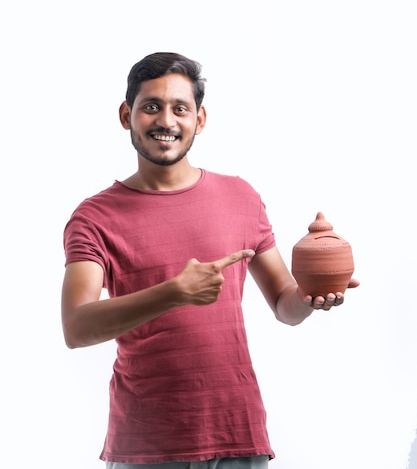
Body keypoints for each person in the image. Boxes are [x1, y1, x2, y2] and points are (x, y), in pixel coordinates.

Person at [61, 52, 359, 469]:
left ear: (199, 120)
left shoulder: (241, 197)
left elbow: (283, 306)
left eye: (180, 108)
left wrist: (310, 298)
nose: (167, 121)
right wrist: (174, 293)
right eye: (151, 107)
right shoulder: (94, 217)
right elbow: (76, 327)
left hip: (238, 435)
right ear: (126, 114)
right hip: (145, 446)